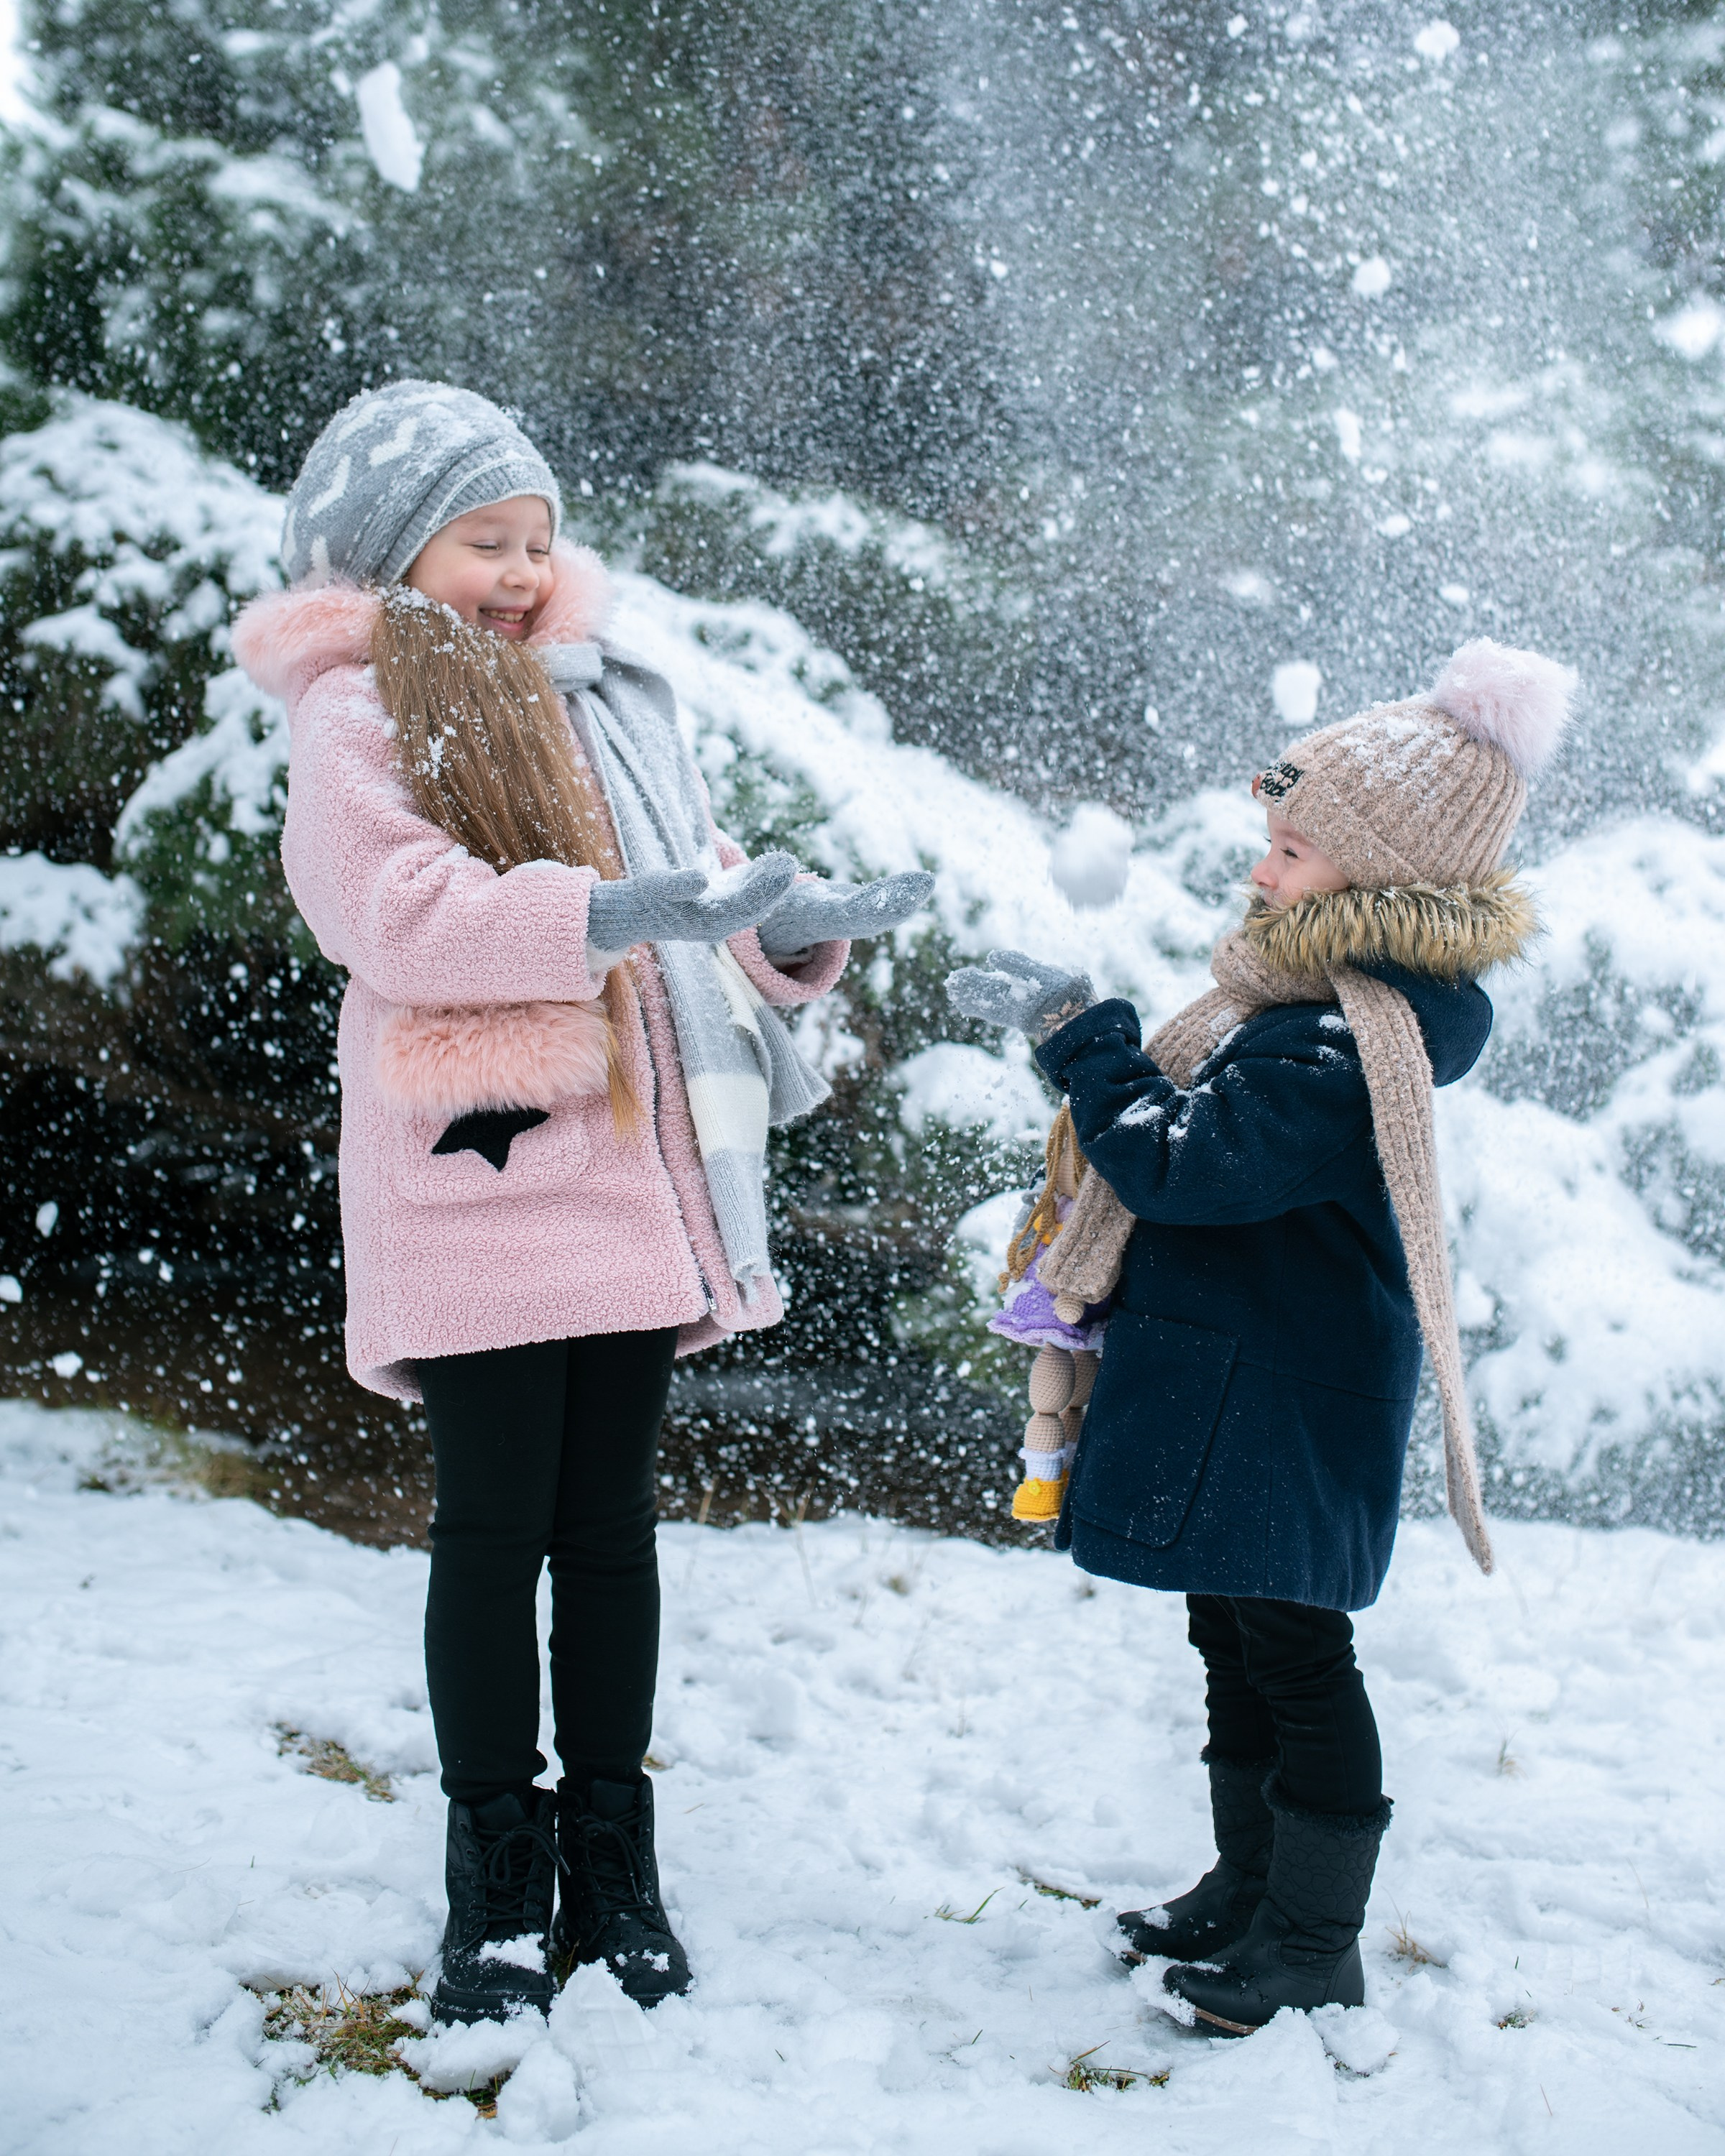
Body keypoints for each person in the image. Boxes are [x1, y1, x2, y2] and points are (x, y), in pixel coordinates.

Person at [233, 380, 932, 2024]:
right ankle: (497, 1867)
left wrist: (786, 929)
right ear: (393, 551)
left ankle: (615, 1851)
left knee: (609, 1533)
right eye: (486, 540)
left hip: (629, 1175)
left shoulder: (610, 695)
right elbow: (394, 912)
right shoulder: (359, 713)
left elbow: (695, 884)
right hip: (475, 1178)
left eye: (538, 540)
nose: (523, 571)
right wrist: (602, 913)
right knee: (492, 1533)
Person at [946, 640, 1572, 2035]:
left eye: (1292, 852)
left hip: (1283, 1401)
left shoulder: (1346, 1043)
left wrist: (1083, 1038)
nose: (1262, 871)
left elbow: (1181, 1163)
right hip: (1237, 1380)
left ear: (1377, 878)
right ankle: (1249, 1886)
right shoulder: (1301, 1013)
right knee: (1233, 1640)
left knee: (1294, 1656)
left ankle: (1313, 1940)